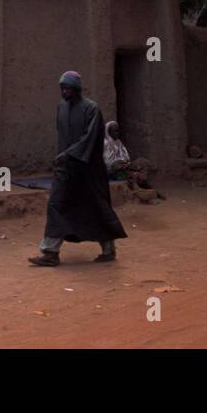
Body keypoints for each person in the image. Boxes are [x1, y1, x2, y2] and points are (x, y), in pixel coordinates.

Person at [28, 71, 128, 267]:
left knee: (96, 207)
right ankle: (50, 252)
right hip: (67, 169)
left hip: (88, 170)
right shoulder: (61, 107)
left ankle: (109, 248)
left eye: (68, 88)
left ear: (77, 90)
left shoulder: (92, 109)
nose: (65, 92)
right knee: (56, 204)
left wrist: (68, 154)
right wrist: (63, 158)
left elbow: (89, 139)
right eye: (62, 88)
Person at [104, 121, 164, 200]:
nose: (116, 133)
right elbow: (108, 162)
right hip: (114, 170)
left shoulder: (119, 142)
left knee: (142, 161)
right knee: (123, 168)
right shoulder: (105, 143)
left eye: (117, 131)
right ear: (108, 132)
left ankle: (145, 181)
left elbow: (126, 157)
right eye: (114, 131)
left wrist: (126, 163)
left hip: (125, 166)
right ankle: (152, 191)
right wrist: (123, 164)